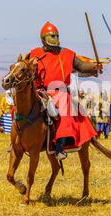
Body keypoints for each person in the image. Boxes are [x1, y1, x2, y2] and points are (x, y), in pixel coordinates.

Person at [24, 22, 103, 161]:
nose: (54, 38)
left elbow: (82, 66)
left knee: (65, 110)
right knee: (20, 106)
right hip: (40, 91)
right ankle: (18, 140)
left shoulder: (67, 54)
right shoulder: (34, 54)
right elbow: (24, 69)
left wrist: (93, 67)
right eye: (51, 36)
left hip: (60, 92)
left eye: (56, 35)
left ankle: (60, 146)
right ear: (43, 39)